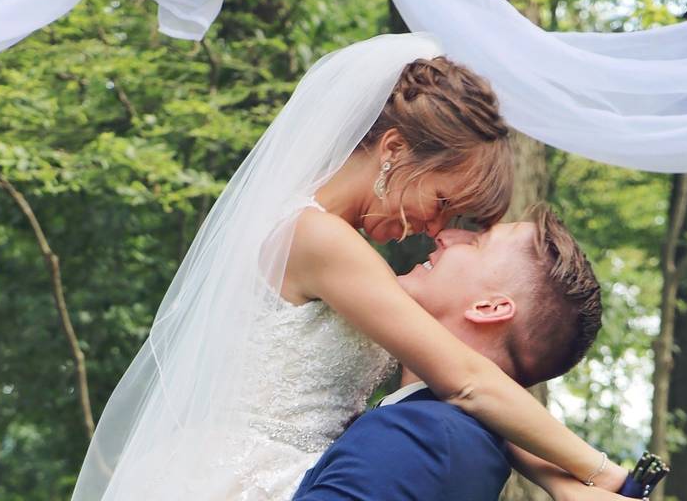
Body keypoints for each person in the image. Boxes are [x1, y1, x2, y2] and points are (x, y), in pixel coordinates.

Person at [72, 34, 627, 500]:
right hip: (241, 477)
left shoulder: (342, 251)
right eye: (441, 202)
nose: (436, 230)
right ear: (393, 152)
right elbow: (467, 381)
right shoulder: (316, 237)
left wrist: (559, 483)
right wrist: (600, 472)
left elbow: (460, 378)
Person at [294, 209, 631, 500]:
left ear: (489, 308)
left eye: (477, 242)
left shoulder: (421, 436)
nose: (446, 235)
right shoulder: (459, 436)